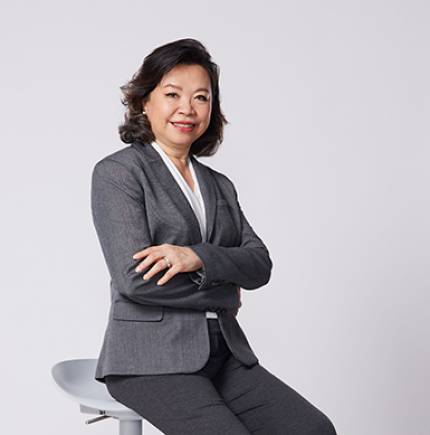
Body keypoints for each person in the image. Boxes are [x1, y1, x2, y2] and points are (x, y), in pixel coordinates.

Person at [90, 38, 336, 435]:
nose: (187, 108)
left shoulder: (219, 185)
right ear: (144, 101)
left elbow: (259, 264)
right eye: (172, 94)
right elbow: (134, 280)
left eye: (201, 97)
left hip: (224, 354)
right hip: (149, 361)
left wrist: (197, 257)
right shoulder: (120, 173)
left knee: (312, 429)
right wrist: (224, 291)